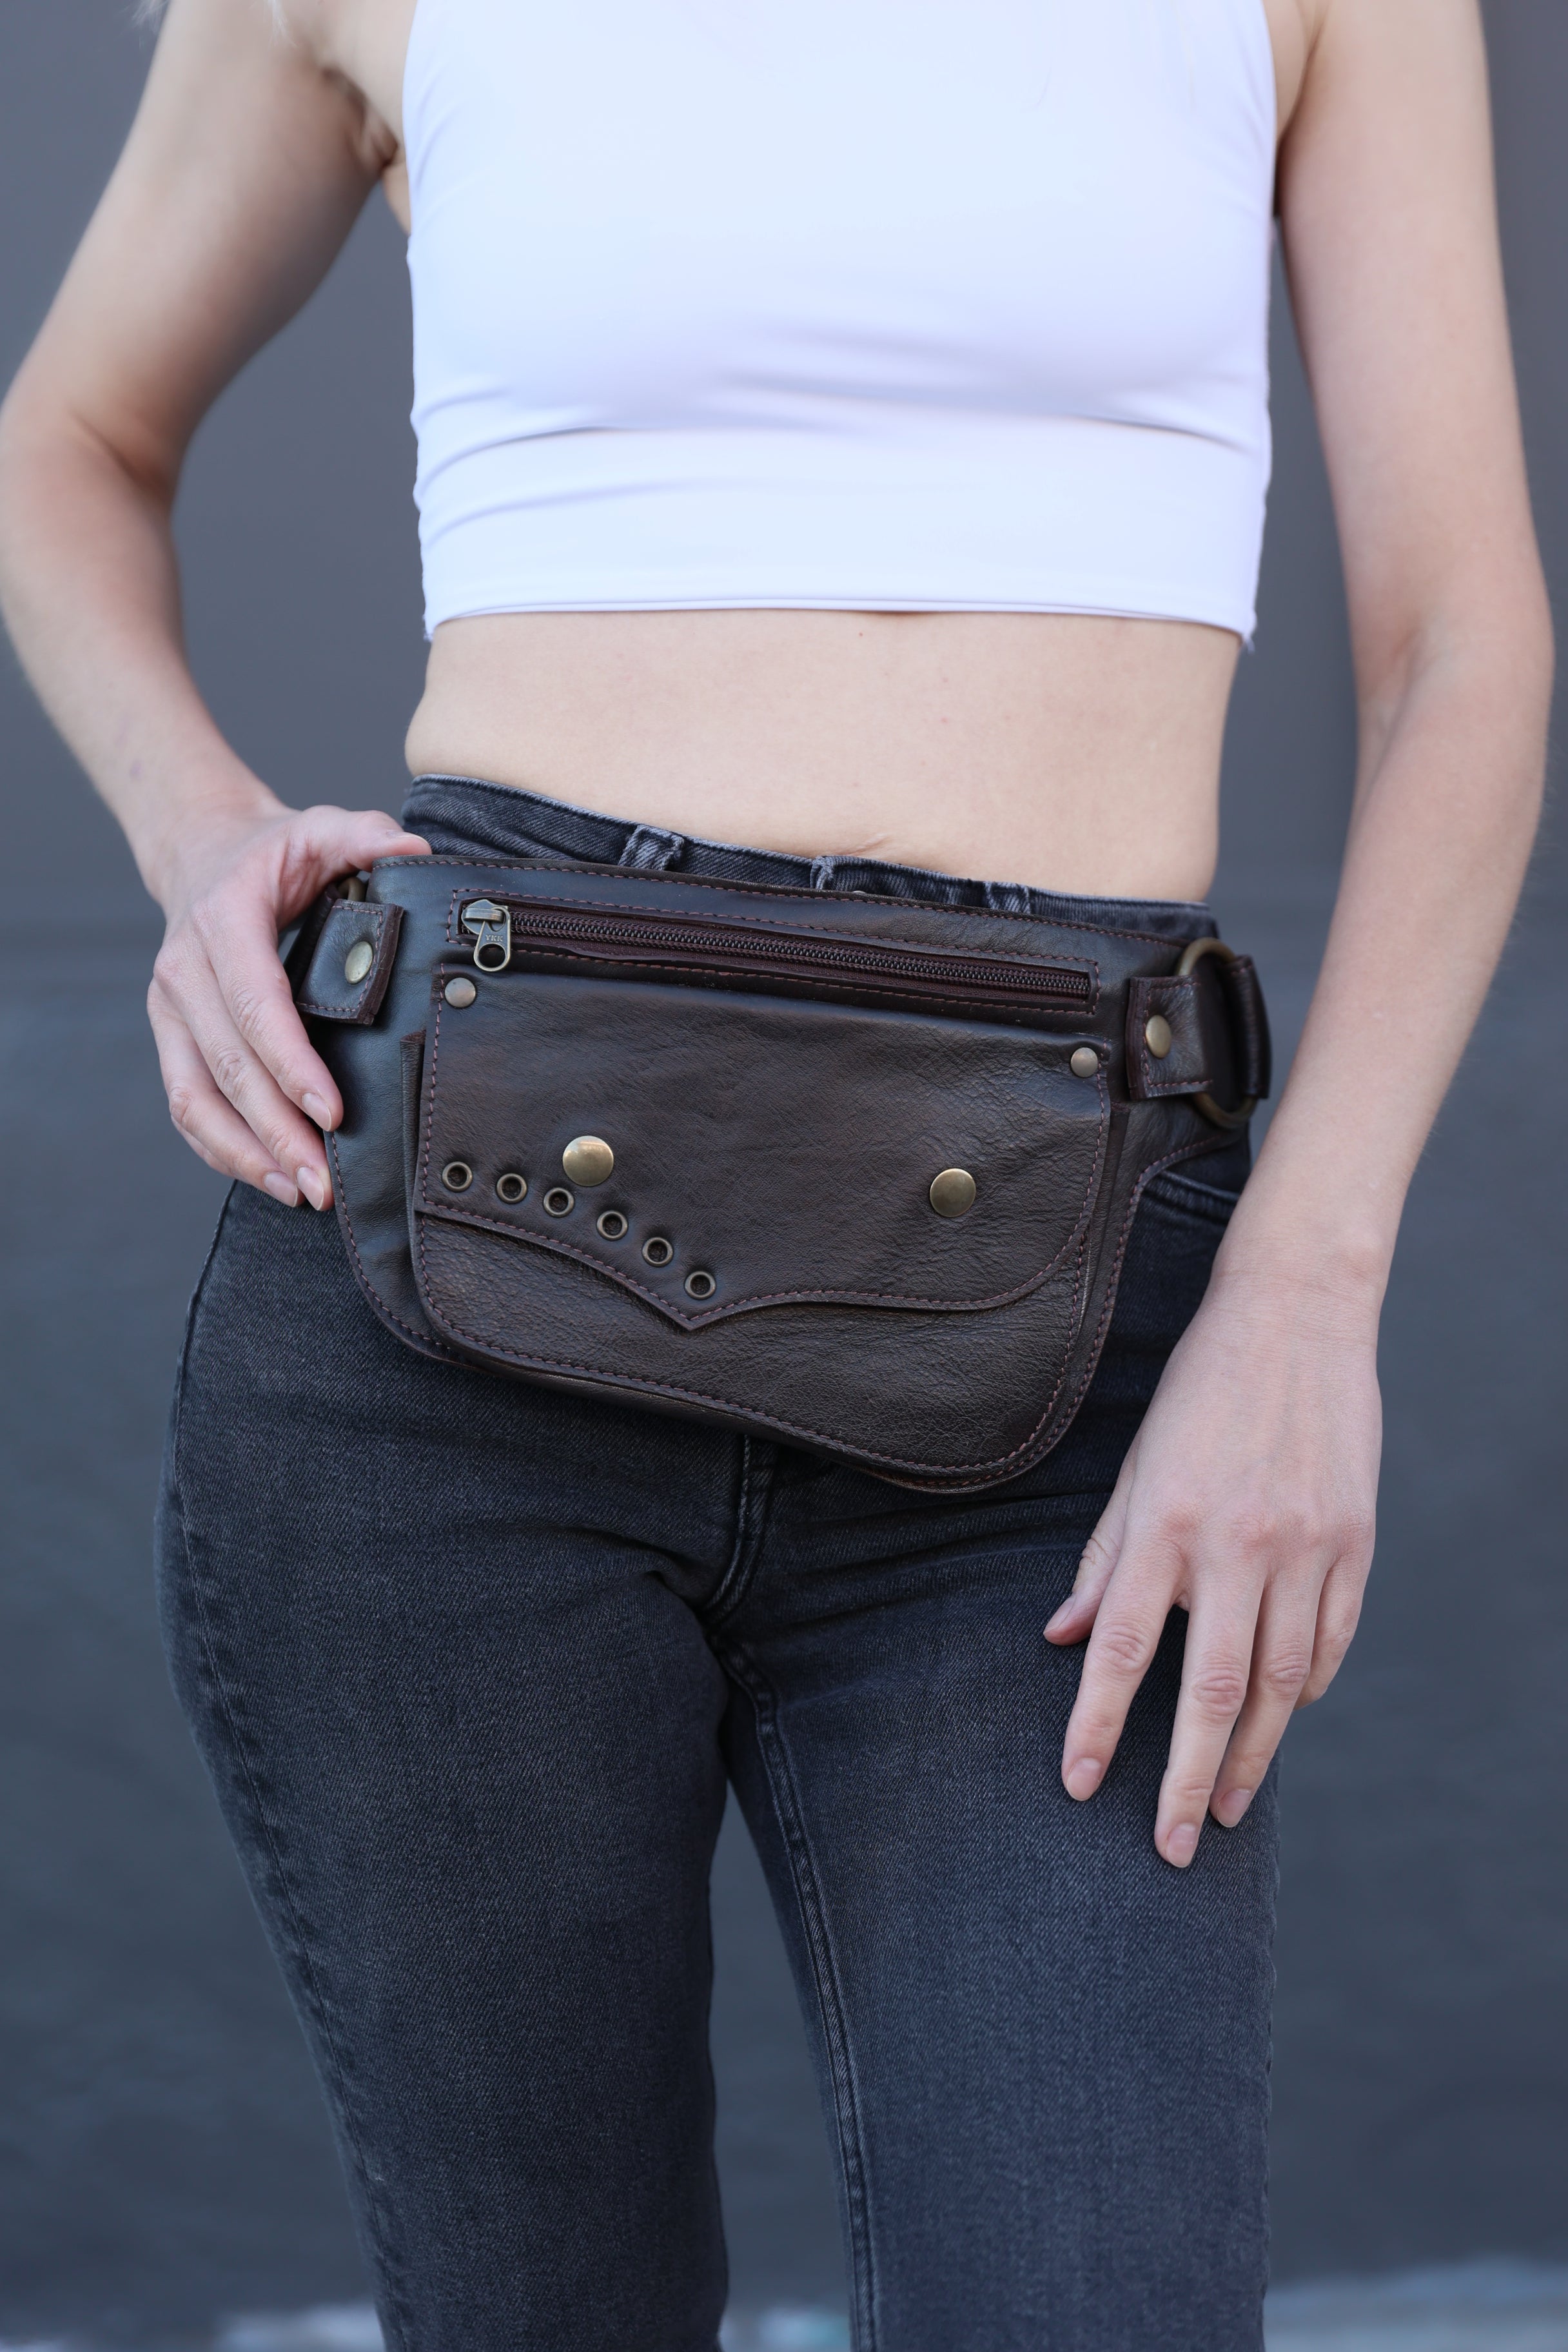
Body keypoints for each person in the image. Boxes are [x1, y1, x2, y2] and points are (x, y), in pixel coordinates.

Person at [0, 0, 1549, 2344]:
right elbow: (66, 443)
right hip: (440, 1327)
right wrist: (207, 832)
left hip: (1063, 1336)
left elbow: (1465, 642)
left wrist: (1307, 1297)